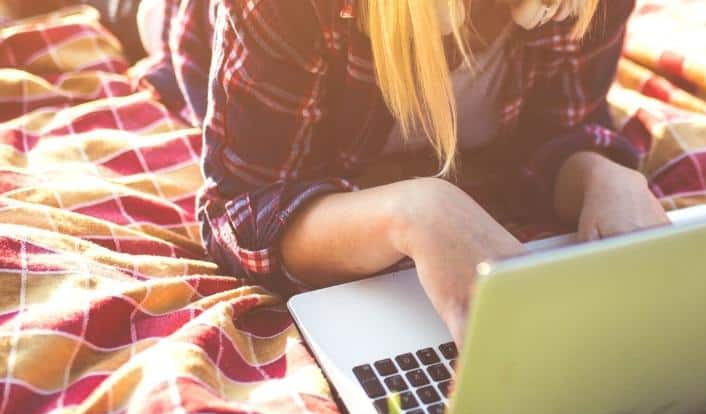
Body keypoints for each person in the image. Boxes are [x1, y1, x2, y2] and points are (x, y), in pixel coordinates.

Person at [140, 0, 670, 343]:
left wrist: (600, 173)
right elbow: (239, 211)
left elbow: (557, 130)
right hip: (187, 27)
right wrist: (411, 212)